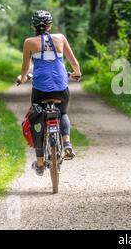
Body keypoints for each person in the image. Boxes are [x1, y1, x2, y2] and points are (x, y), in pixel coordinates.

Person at [17, 10, 82, 176]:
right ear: (50, 25)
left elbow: (25, 67)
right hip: (61, 86)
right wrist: (77, 72)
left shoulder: (29, 42)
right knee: (63, 112)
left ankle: (39, 161)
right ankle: (67, 143)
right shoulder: (60, 38)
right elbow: (74, 62)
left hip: (40, 89)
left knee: (37, 118)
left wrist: (23, 77)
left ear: (34, 26)